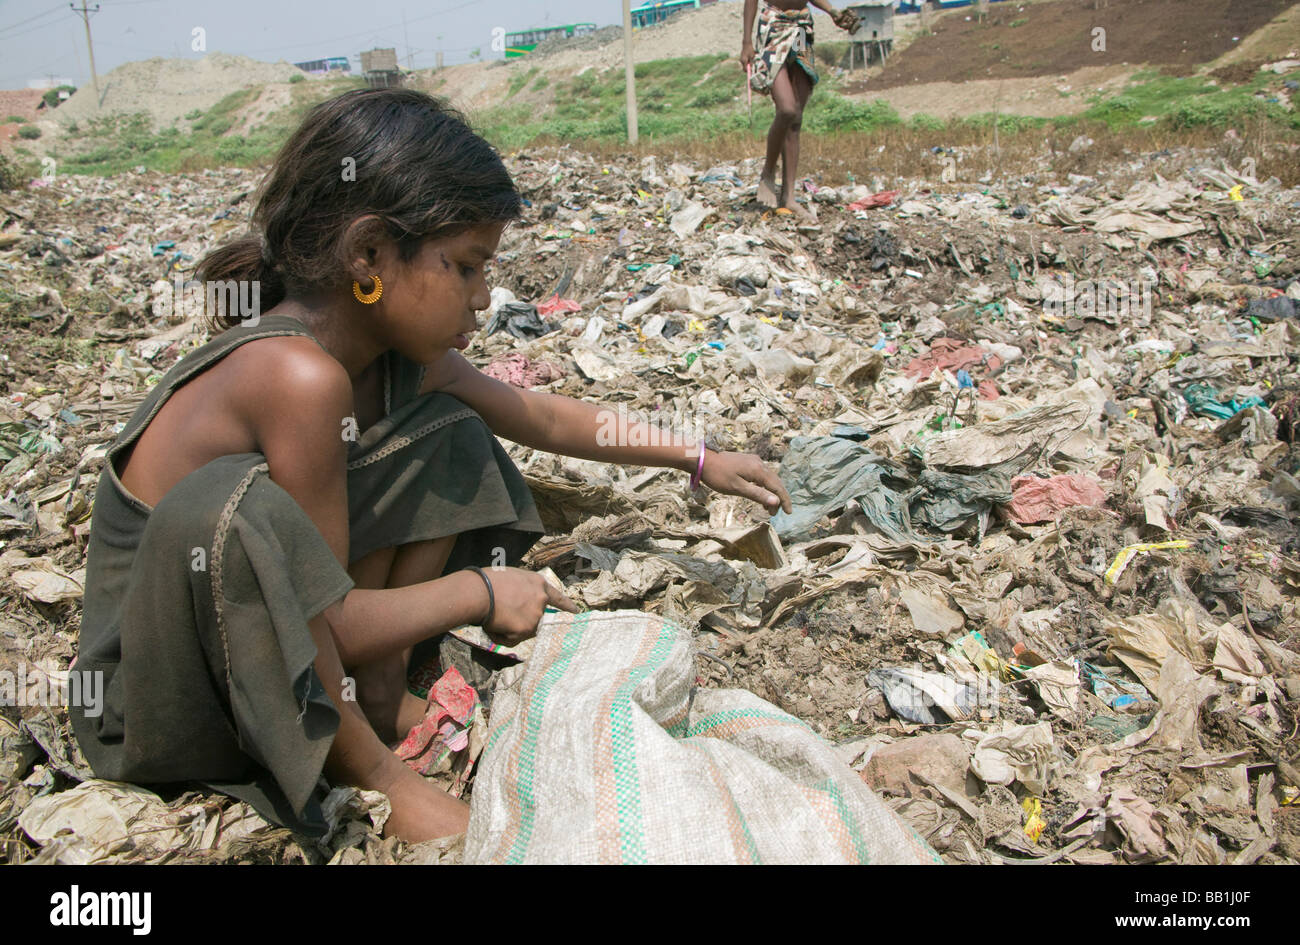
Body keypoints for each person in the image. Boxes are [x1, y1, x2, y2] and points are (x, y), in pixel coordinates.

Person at [70, 89, 793, 844]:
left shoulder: (389, 358)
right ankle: (376, 771)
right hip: (157, 696)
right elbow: (329, 617)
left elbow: (539, 415)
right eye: (467, 266)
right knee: (237, 509)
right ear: (370, 254)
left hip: (273, 646)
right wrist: (478, 591)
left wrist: (699, 456)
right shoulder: (293, 377)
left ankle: (377, 696)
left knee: (449, 429)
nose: (484, 298)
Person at [741, 0, 861, 216]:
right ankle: (768, 172)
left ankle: (788, 197)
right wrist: (746, 42)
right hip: (774, 26)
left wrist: (832, 11)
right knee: (786, 109)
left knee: (795, 117)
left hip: (801, 31)